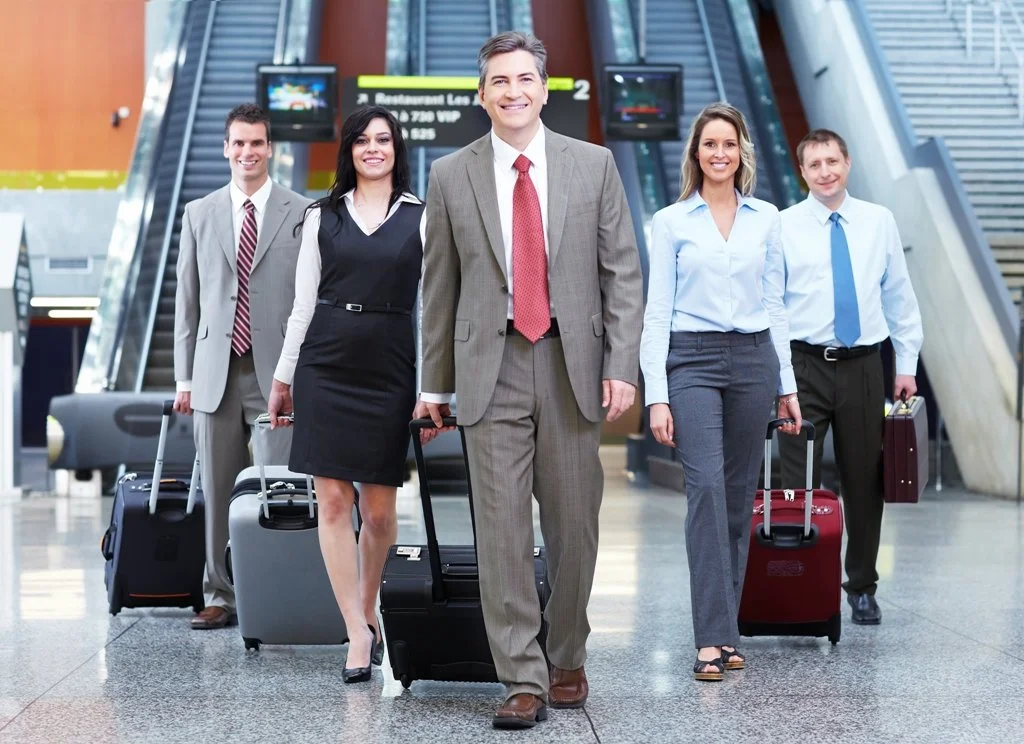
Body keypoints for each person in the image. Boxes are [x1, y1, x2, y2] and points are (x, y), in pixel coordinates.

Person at [415, 31, 643, 729]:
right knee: (502, 531)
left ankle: (567, 651)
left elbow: (622, 275)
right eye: (498, 81)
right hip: (491, 367)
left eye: (524, 79)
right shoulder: (452, 175)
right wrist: (434, 384)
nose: (513, 91)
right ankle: (521, 675)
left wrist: (622, 367)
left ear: (545, 89)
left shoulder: (593, 165)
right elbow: (439, 287)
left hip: (573, 366)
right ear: (481, 96)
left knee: (575, 527)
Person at [639, 102, 801, 682]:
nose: (718, 153)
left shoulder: (768, 218)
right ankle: (711, 637)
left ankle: (725, 632)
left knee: (737, 500)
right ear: (696, 154)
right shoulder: (671, 221)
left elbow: (777, 304)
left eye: (728, 144)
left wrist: (786, 383)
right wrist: (656, 394)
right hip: (692, 362)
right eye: (708, 144)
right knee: (705, 489)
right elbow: (656, 313)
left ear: (741, 153)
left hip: (755, 359)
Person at [267, 106, 424, 683]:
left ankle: (367, 606)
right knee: (333, 502)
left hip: (389, 364)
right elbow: (303, 305)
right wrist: (284, 379)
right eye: (362, 140)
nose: (373, 149)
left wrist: (433, 389)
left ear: (396, 149)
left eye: (383, 139)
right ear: (349, 150)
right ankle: (357, 629)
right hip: (325, 364)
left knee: (379, 510)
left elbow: (431, 311)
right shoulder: (321, 217)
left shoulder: (421, 218)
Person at [778, 129, 922, 626]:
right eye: (814, 164)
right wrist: (781, 380)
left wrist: (905, 365)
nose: (825, 172)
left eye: (832, 161)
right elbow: (772, 307)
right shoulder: (784, 226)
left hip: (863, 365)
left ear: (848, 162)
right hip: (803, 366)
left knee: (864, 479)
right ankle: (799, 584)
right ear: (803, 172)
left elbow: (899, 295)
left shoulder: (877, 221)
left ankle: (861, 586)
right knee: (798, 481)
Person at [173, 103, 310, 630]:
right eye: (239, 143)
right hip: (214, 373)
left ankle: (283, 587)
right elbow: (187, 302)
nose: (248, 152)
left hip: (276, 373)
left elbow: (308, 298)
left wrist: (299, 374)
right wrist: (184, 377)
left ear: (270, 148)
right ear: (225, 148)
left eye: (257, 143)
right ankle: (220, 594)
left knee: (281, 486)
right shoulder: (199, 213)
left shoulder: (301, 211)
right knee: (218, 483)